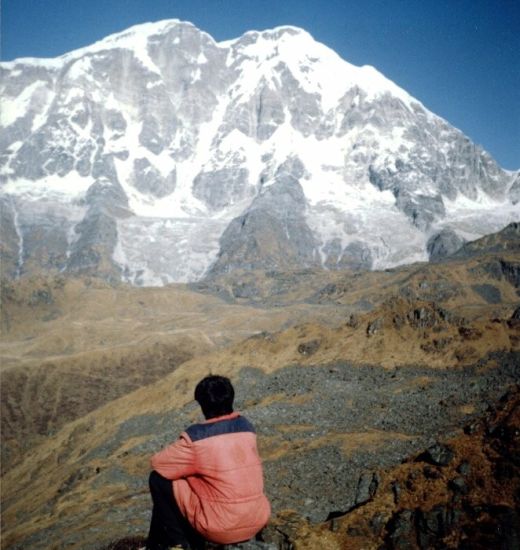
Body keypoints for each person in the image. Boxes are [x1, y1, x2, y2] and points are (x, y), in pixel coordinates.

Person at [145, 375, 271, 550]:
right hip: (257, 518)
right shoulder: (247, 428)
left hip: (221, 526)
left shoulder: (196, 438)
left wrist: (190, 471)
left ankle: (178, 543)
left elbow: (158, 464)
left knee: (158, 480)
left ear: (202, 404)